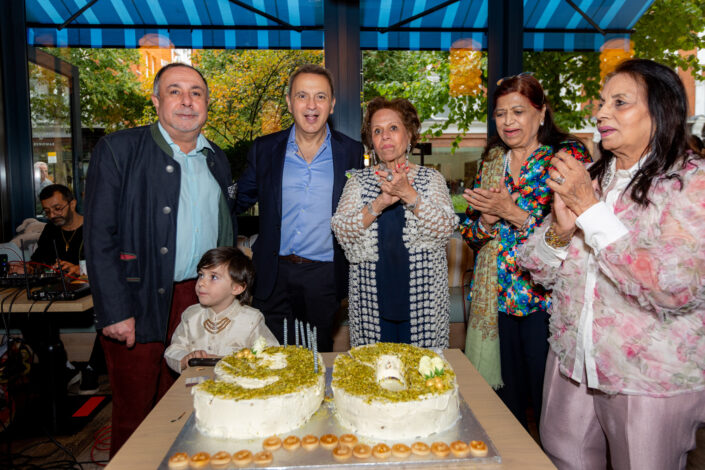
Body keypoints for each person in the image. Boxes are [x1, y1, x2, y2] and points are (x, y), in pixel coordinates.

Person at [518, 59, 705, 469]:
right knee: (563, 459)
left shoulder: (692, 182)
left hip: (648, 376)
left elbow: (673, 287)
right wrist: (560, 233)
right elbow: (538, 270)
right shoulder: (591, 177)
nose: (601, 113)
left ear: (661, 110)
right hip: (571, 363)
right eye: (602, 102)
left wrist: (589, 209)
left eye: (620, 102)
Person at [84, 63, 237, 455]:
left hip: (198, 302)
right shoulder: (119, 150)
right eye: (174, 91)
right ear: (156, 101)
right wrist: (115, 310)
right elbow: (98, 237)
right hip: (138, 302)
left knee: (191, 408)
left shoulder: (216, 159)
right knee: (136, 417)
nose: (187, 101)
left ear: (206, 103)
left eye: (196, 93)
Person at [459, 74, 590, 430]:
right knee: (505, 407)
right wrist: (486, 221)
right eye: (501, 114)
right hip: (496, 300)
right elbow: (471, 235)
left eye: (518, 112)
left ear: (541, 112)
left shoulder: (566, 158)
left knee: (552, 408)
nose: (508, 122)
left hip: (546, 301)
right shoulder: (492, 161)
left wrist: (513, 214)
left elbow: (577, 231)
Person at [235, 64, 363, 352]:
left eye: (320, 97)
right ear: (289, 102)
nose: (311, 105)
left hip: (324, 276)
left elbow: (360, 211)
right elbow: (238, 199)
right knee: (271, 357)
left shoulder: (351, 151)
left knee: (317, 356)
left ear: (332, 104)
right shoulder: (265, 149)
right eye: (302, 96)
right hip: (273, 274)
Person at [331, 97, 458, 347]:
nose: (385, 136)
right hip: (371, 302)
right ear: (371, 141)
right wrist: (380, 202)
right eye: (377, 131)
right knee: (374, 368)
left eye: (393, 128)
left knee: (423, 369)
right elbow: (341, 230)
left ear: (409, 134)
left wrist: (408, 194)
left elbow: (445, 227)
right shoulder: (358, 182)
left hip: (423, 303)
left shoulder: (431, 179)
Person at [13, 184, 104, 394]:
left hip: (91, 298)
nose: (53, 215)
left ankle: (91, 369)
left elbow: (109, 264)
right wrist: (27, 268)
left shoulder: (95, 228)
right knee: (26, 316)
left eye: (57, 208)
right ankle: (64, 367)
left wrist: (80, 270)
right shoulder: (50, 231)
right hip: (59, 300)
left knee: (110, 312)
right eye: (47, 211)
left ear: (72, 203)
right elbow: (38, 262)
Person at [164, 247, 278, 373]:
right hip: (195, 381)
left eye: (213, 277)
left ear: (237, 288)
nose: (201, 283)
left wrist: (230, 361)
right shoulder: (191, 315)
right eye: (201, 275)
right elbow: (173, 350)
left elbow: (272, 355)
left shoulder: (251, 320)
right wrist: (185, 358)